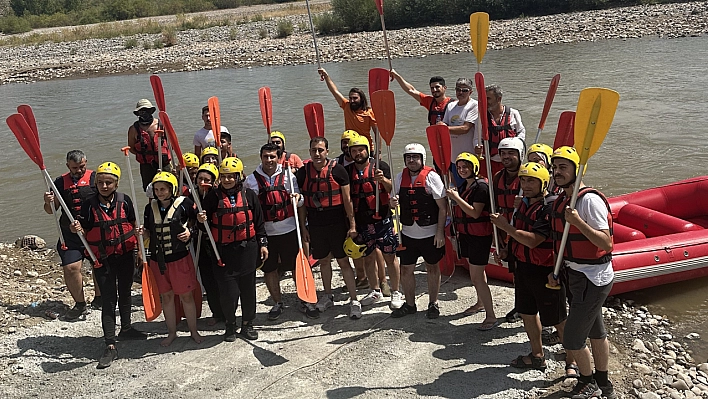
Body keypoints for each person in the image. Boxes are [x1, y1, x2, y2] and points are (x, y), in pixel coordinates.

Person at [489, 162, 576, 376]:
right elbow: (518, 236)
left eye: (532, 181)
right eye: (524, 180)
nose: (526, 185)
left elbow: (535, 241)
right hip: (523, 268)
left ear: (543, 183)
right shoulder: (523, 205)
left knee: (558, 320)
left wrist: (505, 227)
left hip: (545, 272)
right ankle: (537, 356)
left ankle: (572, 362)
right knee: (527, 313)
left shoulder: (549, 209)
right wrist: (507, 251)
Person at [548, 146, 616, 399]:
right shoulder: (564, 199)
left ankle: (587, 382)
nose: (557, 172)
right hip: (575, 275)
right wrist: (556, 271)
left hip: (592, 278)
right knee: (596, 331)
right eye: (555, 168)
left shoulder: (588, 201)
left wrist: (577, 222)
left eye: (563, 167)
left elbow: (605, 243)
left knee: (572, 340)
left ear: (577, 170)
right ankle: (603, 383)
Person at [70, 162, 147, 369]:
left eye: (109, 182)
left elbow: (132, 224)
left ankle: (127, 328)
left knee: (125, 292)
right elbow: (83, 228)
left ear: (116, 183)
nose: (104, 186)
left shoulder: (125, 200)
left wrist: (139, 250)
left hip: (124, 255)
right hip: (102, 259)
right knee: (108, 298)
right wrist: (75, 227)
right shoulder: (88, 204)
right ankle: (110, 344)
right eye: (101, 182)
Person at [197, 157, 268, 341]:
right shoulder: (212, 197)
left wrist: (263, 244)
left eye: (231, 176)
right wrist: (200, 220)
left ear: (239, 176)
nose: (227, 180)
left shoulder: (249, 195)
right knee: (228, 292)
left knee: (248, 289)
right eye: (224, 176)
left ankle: (248, 324)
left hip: (247, 249)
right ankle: (230, 325)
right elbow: (202, 227)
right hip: (222, 251)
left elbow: (259, 222)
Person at [296, 137, 361, 319]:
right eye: (314, 150)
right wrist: (303, 228)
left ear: (327, 151)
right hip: (316, 224)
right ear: (309, 152)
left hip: (337, 224)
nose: (317, 154)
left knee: (343, 262)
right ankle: (327, 295)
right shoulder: (302, 174)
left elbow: (348, 201)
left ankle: (354, 299)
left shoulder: (338, 171)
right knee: (324, 261)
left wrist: (353, 225)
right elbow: (301, 204)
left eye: (320, 150)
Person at [140, 172, 202, 347]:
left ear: (172, 189)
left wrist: (190, 232)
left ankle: (193, 331)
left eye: (163, 189)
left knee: (186, 296)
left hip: (180, 259)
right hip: (158, 261)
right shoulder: (149, 208)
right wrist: (142, 233)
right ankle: (172, 332)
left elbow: (197, 224)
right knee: (166, 297)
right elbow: (149, 233)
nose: (159, 193)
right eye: (157, 189)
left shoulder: (185, 204)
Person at [244, 143, 303, 321]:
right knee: (269, 269)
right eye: (265, 157)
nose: (269, 160)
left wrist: (297, 198)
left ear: (278, 158)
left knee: (294, 267)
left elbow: (299, 202)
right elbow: (250, 210)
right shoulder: (251, 180)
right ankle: (277, 303)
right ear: (260, 157)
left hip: (289, 229)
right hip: (267, 233)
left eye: (272, 157)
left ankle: (303, 300)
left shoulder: (288, 177)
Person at [390, 144, 447, 319]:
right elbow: (392, 203)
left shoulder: (432, 178)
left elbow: (443, 208)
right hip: (407, 233)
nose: (412, 161)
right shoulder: (400, 178)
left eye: (415, 157)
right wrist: (393, 203)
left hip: (430, 234)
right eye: (409, 157)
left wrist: (440, 233)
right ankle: (410, 304)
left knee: (432, 268)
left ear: (422, 159)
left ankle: (433, 303)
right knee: (406, 270)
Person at [43, 150, 101, 320]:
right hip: (70, 234)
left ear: (86, 163)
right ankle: (80, 304)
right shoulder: (59, 183)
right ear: (68, 166)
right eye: (75, 168)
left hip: (93, 231)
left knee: (98, 265)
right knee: (71, 268)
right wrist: (49, 202)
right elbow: (50, 211)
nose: (79, 171)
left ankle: (99, 299)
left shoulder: (96, 179)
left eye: (82, 167)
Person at [345, 135, 401, 309]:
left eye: (360, 150)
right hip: (363, 223)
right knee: (368, 258)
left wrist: (382, 180)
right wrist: (352, 225)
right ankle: (374, 290)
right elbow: (348, 199)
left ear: (367, 150)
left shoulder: (380, 166)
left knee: (390, 257)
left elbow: (393, 188)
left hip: (383, 220)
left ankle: (396, 292)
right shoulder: (347, 171)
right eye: (354, 151)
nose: (357, 153)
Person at [446, 153, 498, 331]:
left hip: (479, 237)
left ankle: (491, 316)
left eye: (465, 167)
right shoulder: (464, 186)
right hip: (467, 235)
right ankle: (480, 303)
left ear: (474, 167)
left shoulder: (481, 187)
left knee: (476, 277)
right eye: (459, 167)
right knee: (477, 275)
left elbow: (475, 213)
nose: (462, 170)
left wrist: (456, 198)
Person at [189, 163, 224, 325]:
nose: (203, 182)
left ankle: (227, 311)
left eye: (207, 180)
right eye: (200, 179)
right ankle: (216, 312)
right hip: (200, 243)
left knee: (221, 279)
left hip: (217, 243)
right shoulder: (190, 197)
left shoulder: (218, 196)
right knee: (208, 279)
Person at [475, 85, 526, 178]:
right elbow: (476, 137)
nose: (486, 102)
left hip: (510, 160)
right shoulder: (481, 117)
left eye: (488, 99)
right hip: (489, 160)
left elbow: (521, 131)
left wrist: (515, 145)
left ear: (499, 99)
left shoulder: (513, 113)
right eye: (484, 99)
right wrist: (477, 147)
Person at [318, 68, 378, 147]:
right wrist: (326, 76)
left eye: (355, 98)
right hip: (350, 147)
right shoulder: (347, 106)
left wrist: (379, 152)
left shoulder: (369, 112)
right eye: (350, 98)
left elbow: (377, 133)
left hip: (365, 147)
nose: (352, 101)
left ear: (362, 99)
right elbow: (334, 91)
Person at [439, 78, 478, 187]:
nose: (461, 93)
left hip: (469, 156)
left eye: (464, 90)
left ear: (471, 91)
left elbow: (466, 128)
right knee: (457, 187)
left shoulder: (474, 105)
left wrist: (443, 128)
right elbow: (444, 124)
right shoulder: (451, 105)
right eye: (458, 90)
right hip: (453, 157)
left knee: (469, 187)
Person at [127, 99, 171, 190]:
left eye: (147, 110)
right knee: (150, 190)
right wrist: (144, 154)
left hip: (164, 163)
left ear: (151, 111)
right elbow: (131, 148)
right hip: (146, 166)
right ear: (138, 113)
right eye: (142, 111)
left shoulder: (161, 125)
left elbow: (171, 143)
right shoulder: (133, 129)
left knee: (169, 187)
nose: (145, 113)